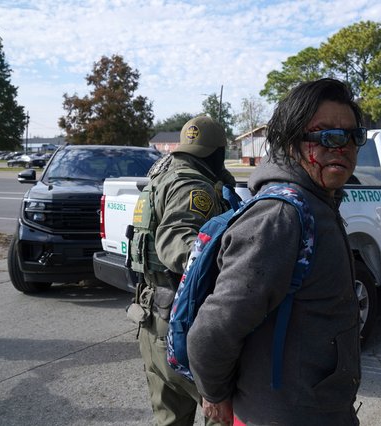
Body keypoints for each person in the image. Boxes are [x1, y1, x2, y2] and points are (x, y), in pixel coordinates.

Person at [187, 78, 365, 426]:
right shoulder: (280, 217)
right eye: (326, 135)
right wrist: (216, 393)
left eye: (352, 136)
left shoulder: (320, 202)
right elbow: (213, 330)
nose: (342, 147)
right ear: (289, 141)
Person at [130, 115, 235, 425]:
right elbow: (177, 241)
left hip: (151, 315)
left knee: (170, 418)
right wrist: (229, 261)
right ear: (217, 153)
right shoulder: (194, 186)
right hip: (180, 322)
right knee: (221, 415)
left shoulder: (162, 177)